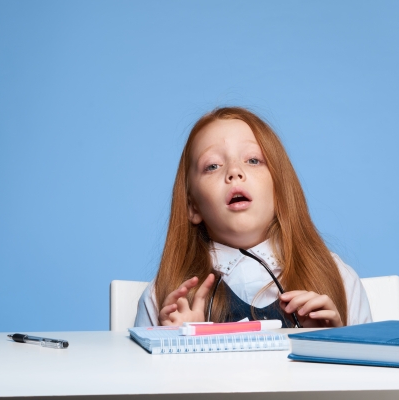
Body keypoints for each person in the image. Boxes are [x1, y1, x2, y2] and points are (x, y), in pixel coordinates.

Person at [134, 107, 372, 328]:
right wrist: (179, 345)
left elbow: (371, 373)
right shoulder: (163, 296)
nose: (234, 172)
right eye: (213, 166)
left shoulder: (337, 277)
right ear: (193, 207)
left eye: (253, 160)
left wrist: (332, 344)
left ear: (279, 191)